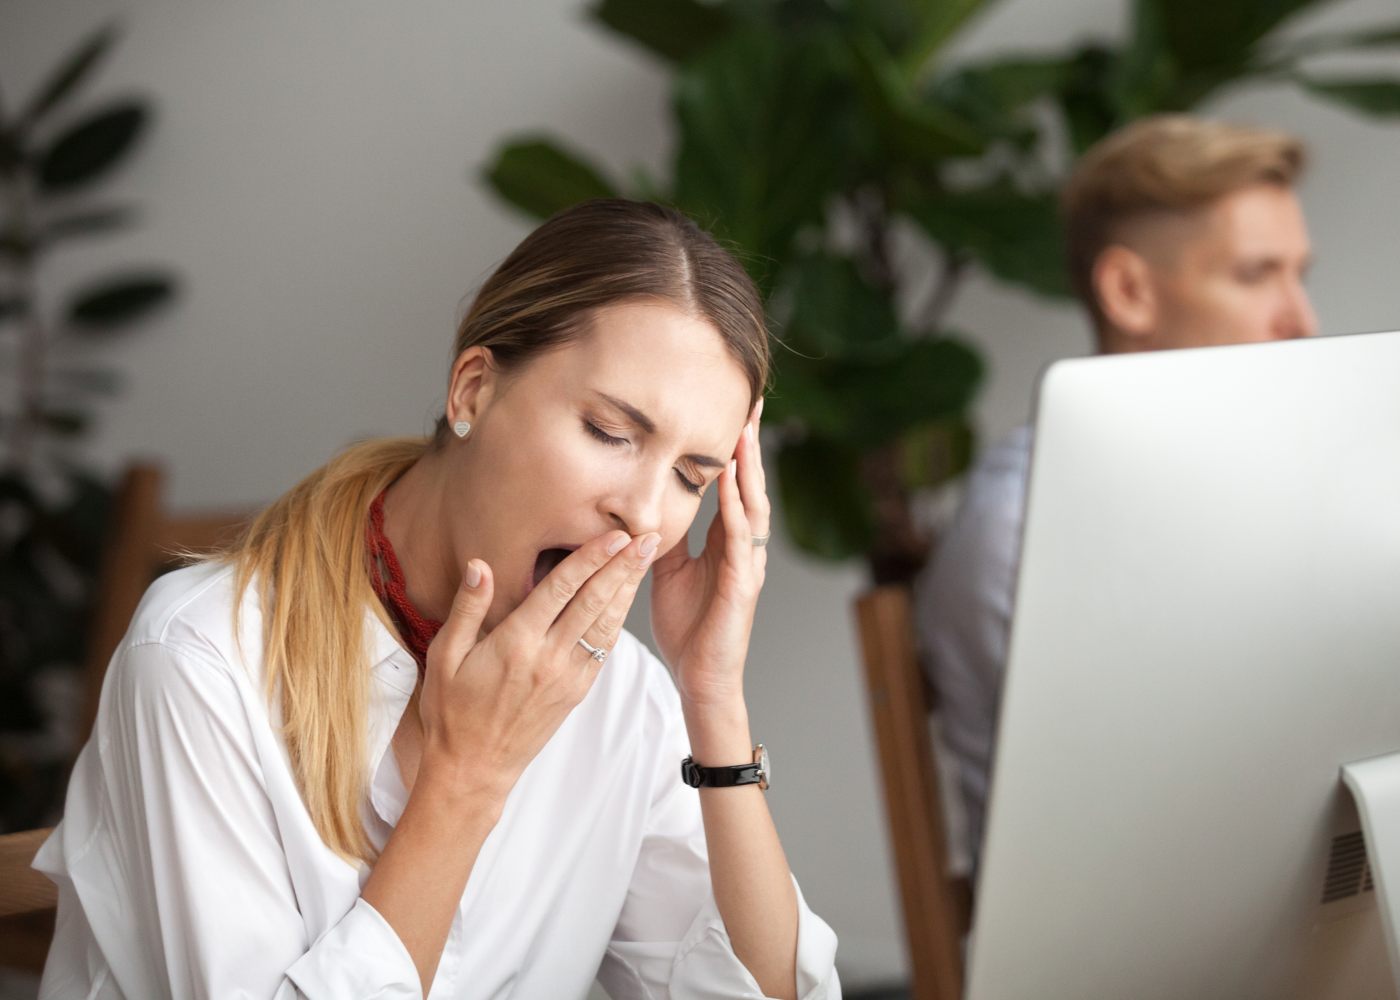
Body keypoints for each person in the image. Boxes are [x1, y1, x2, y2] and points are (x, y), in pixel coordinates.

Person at [34, 199, 840, 999]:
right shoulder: (200, 660)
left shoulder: (623, 695)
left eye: (689, 477)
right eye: (608, 431)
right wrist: (468, 779)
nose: (644, 511)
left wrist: (713, 696)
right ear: (473, 391)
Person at [915, 115, 1318, 878]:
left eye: (1301, 275)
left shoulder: (1275, 499)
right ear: (1130, 291)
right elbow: (1147, 841)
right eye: (1256, 275)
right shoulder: (1024, 532)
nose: (1301, 321)